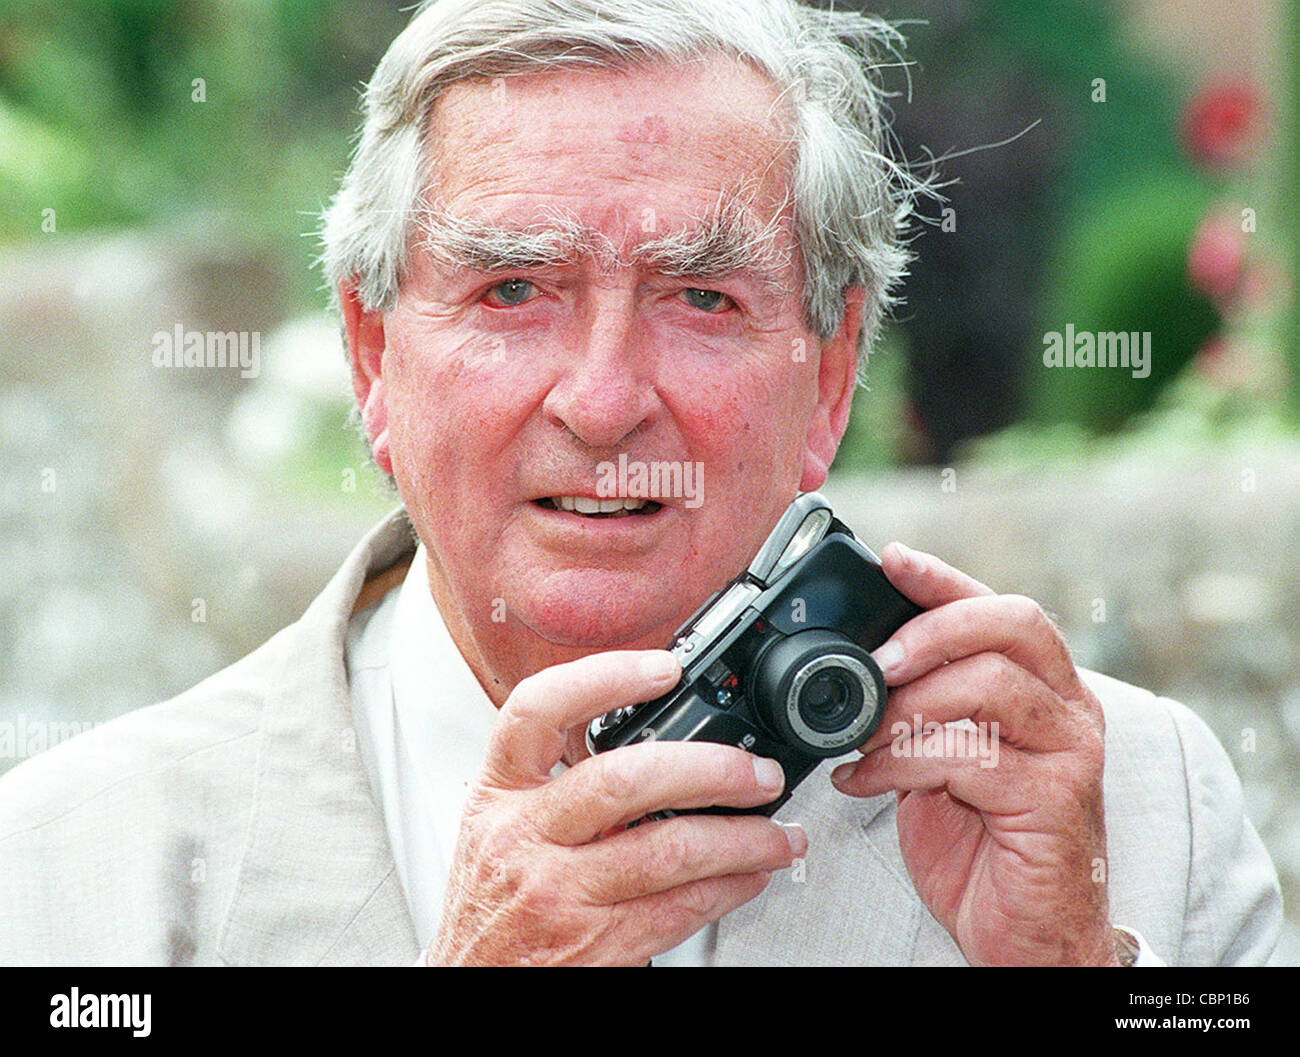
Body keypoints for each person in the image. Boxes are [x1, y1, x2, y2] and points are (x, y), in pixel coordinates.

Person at [0, 0, 1280, 967]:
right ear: (373, 356)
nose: (604, 398)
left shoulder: (1133, 800)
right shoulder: (65, 869)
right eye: (513, 290)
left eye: (701, 297)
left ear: (831, 377)